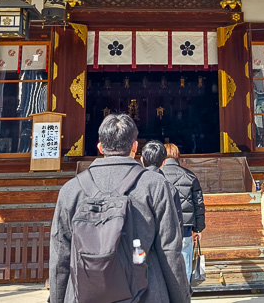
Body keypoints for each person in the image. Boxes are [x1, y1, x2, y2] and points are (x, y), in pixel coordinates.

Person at [49, 114, 190, 303]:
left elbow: (60, 257)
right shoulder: (155, 185)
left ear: (99, 147)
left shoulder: (70, 190)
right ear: (134, 147)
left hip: (83, 294)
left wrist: (58, 299)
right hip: (147, 293)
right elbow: (170, 251)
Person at [159, 143, 206, 281]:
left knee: (165, 265)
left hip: (163, 228)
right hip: (185, 228)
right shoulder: (190, 176)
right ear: (177, 156)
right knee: (185, 264)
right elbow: (198, 204)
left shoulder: (157, 176)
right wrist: (198, 228)